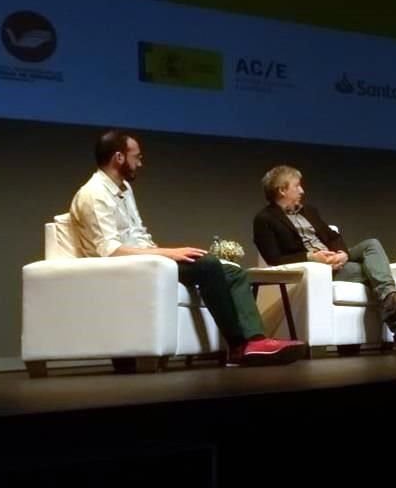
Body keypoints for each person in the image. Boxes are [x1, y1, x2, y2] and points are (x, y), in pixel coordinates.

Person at [70, 130, 305, 367]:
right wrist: (169, 253)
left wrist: (166, 254)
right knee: (208, 265)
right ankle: (237, 346)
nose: (140, 163)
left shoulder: (124, 189)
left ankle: (255, 340)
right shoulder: (94, 194)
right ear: (119, 157)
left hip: (149, 262)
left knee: (234, 272)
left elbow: (139, 234)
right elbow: (110, 250)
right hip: (128, 268)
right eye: (136, 157)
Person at [253, 165, 396, 353]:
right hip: (318, 271)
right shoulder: (265, 219)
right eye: (297, 186)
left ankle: (391, 299)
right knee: (375, 274)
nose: (302, 191)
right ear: (282, 190)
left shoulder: (309, 211)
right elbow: (274, 259)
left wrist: (343, 254)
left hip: (336, 261)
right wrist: (312, 258)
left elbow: (333, 236)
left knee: (371, 244)